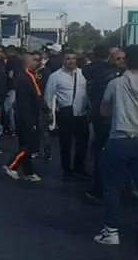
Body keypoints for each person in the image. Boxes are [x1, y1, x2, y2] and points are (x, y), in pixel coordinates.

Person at [94, 45, 138, 247]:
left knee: (113, 186)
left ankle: (111, 231)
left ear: (126, 60)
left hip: (120, 139)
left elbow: (104, 111)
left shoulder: (115, 83)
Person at [82, 44, 123, 202]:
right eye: (117, 58)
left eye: (122, 58)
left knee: (101, 151)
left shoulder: (90, 71)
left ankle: (100, 187)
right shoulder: (114, 77)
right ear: (110, 58)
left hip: (100, 117)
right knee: (105, 153)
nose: (120, 61)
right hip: (108, 118)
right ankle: (103, 188)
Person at [44, 49, 90, 181]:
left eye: (73, 58)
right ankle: (66, 170)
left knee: (82, 142)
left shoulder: (83, 74)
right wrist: (50, 114)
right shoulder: (56, 76)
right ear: (63, 60)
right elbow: (49, 95)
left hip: (81, 112)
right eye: (68, 59)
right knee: (66, 143)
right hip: (66, 112)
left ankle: (79, 167)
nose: (71, 61)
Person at [3, 53, 44, 182]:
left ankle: (28, 171)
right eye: (35, 60)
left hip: (21, 113)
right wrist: (47, 110)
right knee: (30, 145)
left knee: (24, 144)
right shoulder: (29, 76)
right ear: (28, 62)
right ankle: (12, 166)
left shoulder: (19, 76)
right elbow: (38, 96)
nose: (38, 63)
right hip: (28, 115)